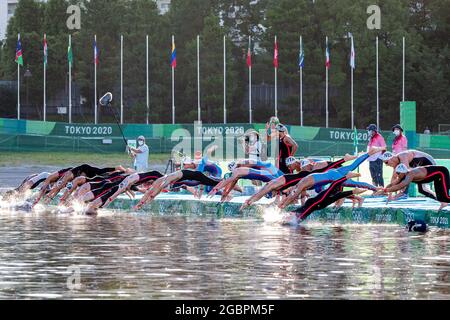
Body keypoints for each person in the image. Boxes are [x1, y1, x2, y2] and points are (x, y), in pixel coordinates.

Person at [382, 164, 449, 210]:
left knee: (446, 197)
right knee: (440, 197)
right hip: (436, 177)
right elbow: (393, 184)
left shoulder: (410, 174)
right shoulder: (402, 175)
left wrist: (386, 190)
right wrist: (384, 189)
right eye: (397, 173)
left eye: (398, 173)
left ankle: (444, 202)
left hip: (441, 172)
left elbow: (400, 186)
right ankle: (443, 204)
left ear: (404, 172)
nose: (397, 175)